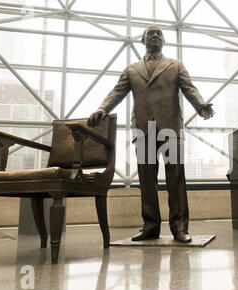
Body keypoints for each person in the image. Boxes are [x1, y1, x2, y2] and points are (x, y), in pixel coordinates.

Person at [88, 25, 215, 243]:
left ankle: (180, 227)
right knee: (147, 180)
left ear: (164, 40)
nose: (155, 36)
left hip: (170, 128)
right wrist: (102, 108)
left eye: (159, 33)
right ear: (143, 41)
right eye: (150, 34)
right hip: (144, 129)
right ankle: (150, 226)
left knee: (176, 178)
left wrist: (201, 105)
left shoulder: (176, 66)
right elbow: (116, 92)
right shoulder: (132, 69)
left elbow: (189, 88)